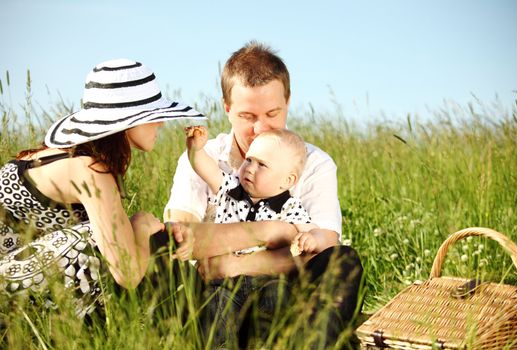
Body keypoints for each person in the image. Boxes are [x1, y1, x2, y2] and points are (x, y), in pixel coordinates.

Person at [164, 41, 363, 347]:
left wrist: (232, 263)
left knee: (343, 262)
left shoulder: (313, 163)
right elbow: (181, 238)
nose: (260, 128)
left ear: (288, 102)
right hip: (214, 298)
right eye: (247, 116)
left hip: (281, 297)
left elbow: (319, 250)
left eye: (272, 113)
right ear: (227, 108)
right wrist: (271, 231)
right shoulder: (210, 159)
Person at [0, 58, 205, 318]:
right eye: (152, 117)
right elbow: (127, 274)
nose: (161, 123)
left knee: (133, 241)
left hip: (14, 278)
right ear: (128, 121)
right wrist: (141, 225)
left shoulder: (69, 155)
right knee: (97, 241)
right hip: (8, 295)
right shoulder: (90, 170)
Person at [184, 125, 323, 257]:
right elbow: (208, 170)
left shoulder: (289, 207)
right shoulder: (231, 187)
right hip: (219, 270)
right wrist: (195, 150)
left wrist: (312, 239)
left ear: (287, 180)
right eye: (249, 160)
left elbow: (313, 231)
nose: (250, 168)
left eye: (262, 165)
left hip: (261, 274)